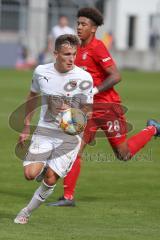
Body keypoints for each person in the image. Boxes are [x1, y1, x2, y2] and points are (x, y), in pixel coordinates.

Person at [48, 7, 160, 207]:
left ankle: (153, 128)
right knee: (75, 149)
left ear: (93, 28)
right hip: (87, 110)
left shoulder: (98, 47)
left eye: (84, 24)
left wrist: (94, 90)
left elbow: (116, 75)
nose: (79, 27)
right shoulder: (76, 49)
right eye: (78, 23)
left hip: (108, 108)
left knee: (123, 154)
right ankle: (68, 197)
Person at [14, 34, 93, 224]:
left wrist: (72, 112)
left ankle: (25, 212)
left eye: (74, 54)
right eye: (66, 54)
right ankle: (45, 166)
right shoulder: (41, 72)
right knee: (30, 174)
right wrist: (25, 127)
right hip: (45, 129)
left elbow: (88, 110)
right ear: (56, 53)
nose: (71, 58)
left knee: (50, 179)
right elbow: (32, 96)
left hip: (69, 136)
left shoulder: (84, 77)